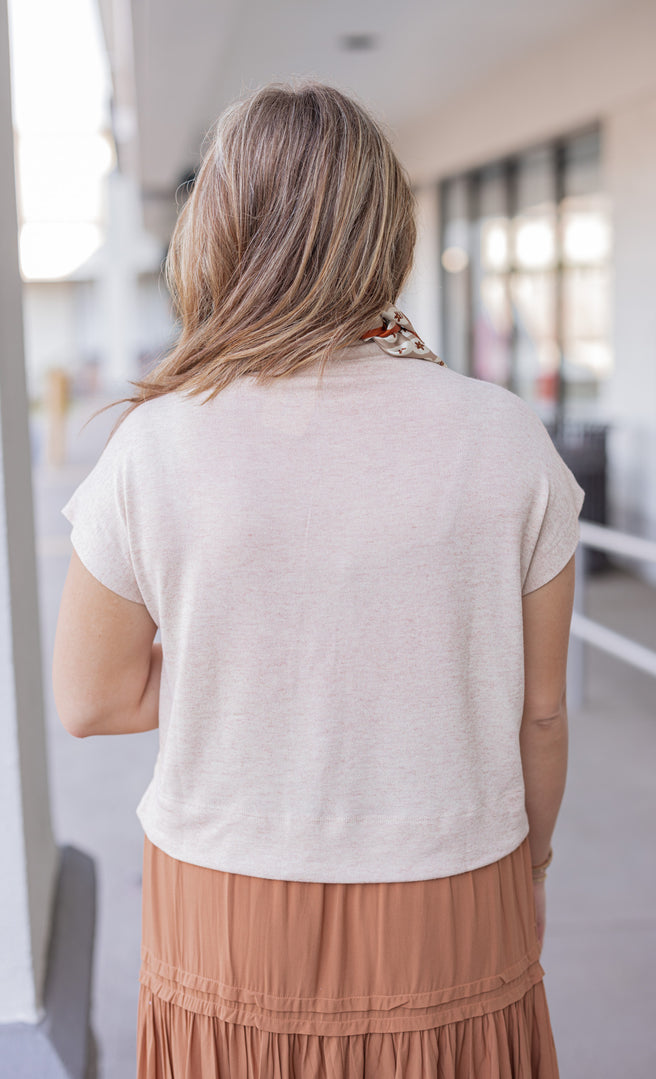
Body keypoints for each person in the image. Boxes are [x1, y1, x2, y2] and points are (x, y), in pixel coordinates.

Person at [53, 79, 584, 1078]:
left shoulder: (156, 444)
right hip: (455, 885)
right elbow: (541, 711)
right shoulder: (505, 435)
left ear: (216, 230)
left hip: (226, 897)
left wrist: (253, 656)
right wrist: (534, 862)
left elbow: (91, 698)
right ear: (389, 228)